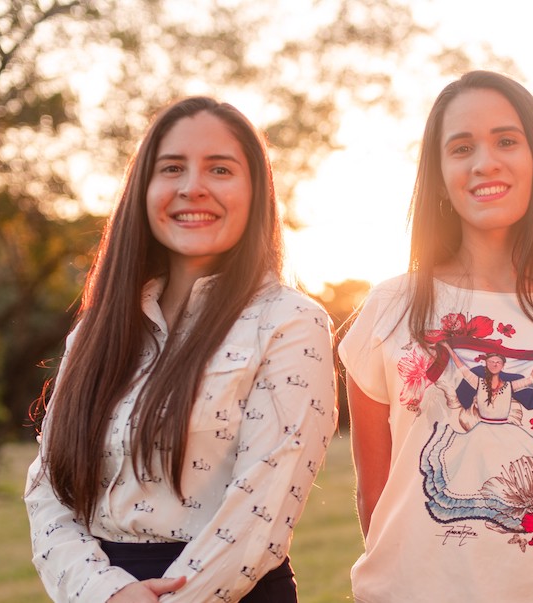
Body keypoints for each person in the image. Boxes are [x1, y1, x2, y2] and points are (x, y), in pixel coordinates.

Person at [338, 70, 533, 602]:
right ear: (438, 171)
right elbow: (375, 495)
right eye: (461, 147)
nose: (485, 162)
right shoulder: (391, 307)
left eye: (506, 140)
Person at [24, 96, 337, 603]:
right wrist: (104, 593)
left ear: (256, 192)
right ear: (144, 190)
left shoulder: (290, 323)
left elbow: (263, 509)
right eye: (172, 168)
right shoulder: (96, 331)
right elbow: (47, 490)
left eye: (220, 168)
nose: (193, 187)